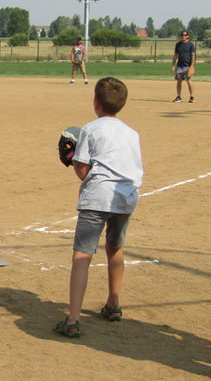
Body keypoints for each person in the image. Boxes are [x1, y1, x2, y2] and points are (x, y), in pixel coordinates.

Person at [53, 77, 143, 338]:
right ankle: (113, 304)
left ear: (96, 103)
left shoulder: (90, 130)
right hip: (126, 197)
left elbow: (83, 171)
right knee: (115, 248)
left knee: (82, 255)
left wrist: (72, 159)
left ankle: (72, 320)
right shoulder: (132, 133)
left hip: (98, 197)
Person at [172, 30, 196, 103]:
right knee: (179, 81)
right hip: (180, 66)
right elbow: (175, 55)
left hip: (188, 66)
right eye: (182, 35)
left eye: (185, 35)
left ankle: (192, 97)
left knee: (189, 81)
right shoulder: (178, 44)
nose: (183, 36)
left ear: (188, 36)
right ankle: (178, 96)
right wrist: (173, 65)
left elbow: (193, 56)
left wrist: (191, 66)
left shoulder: (191, 44)